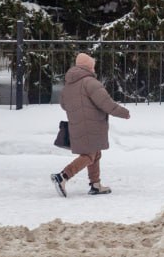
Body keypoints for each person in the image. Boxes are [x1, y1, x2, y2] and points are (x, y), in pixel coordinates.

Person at [51, 52, 130, 197]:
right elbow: (106, 103)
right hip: (91, 124)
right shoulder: (90, 82)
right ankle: (63, 176)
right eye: (93, 65)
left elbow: (63, 104)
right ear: (88, 66)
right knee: (89, 155)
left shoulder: (69, 84)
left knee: (95, 153)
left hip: (77, 123)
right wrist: (123, 113)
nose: (94, 68)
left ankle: (95, 185)